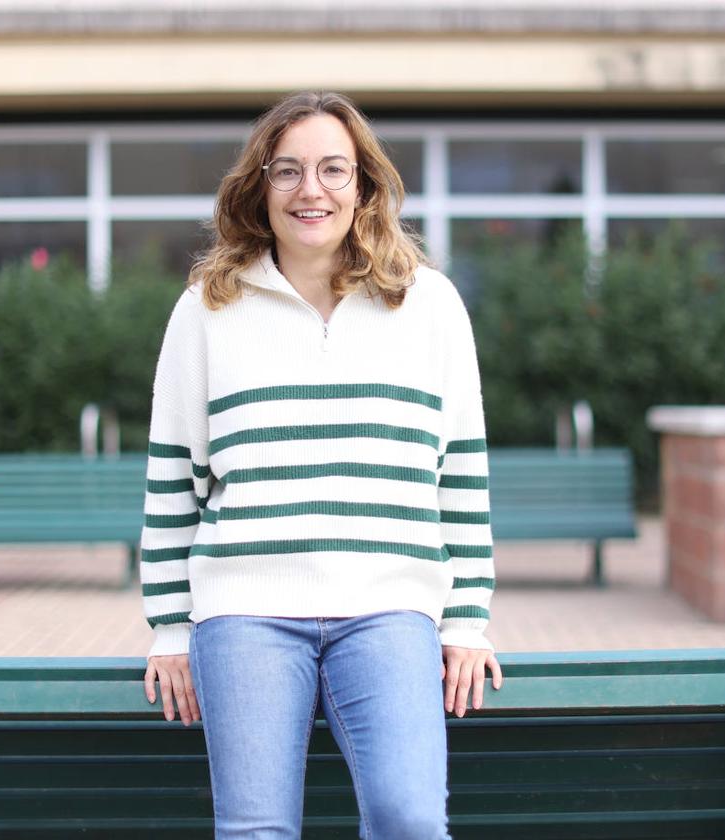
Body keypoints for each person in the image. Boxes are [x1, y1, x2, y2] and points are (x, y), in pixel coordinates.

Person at [139, 90, 500, 840]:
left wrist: (466, 618)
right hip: (245, 612)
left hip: (389, 607)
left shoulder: (429, 305)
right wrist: (171, 629)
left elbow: (460, 471)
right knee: (256, 830)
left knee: (408, 818)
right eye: (289, 171)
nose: (312, 190)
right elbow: (173, 478)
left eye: (335, 169)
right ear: (258, 188)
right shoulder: (205, 309)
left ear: (364, 186)